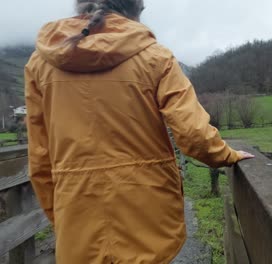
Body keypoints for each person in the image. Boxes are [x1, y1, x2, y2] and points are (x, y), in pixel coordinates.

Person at [24, 0, 254, 263]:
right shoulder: (156, 57)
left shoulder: (38, 65)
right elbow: (194, 134)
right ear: (134, 10)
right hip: (148, 216)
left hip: (77, 218)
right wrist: (227, 155)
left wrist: (63, 220)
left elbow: (40, 162)